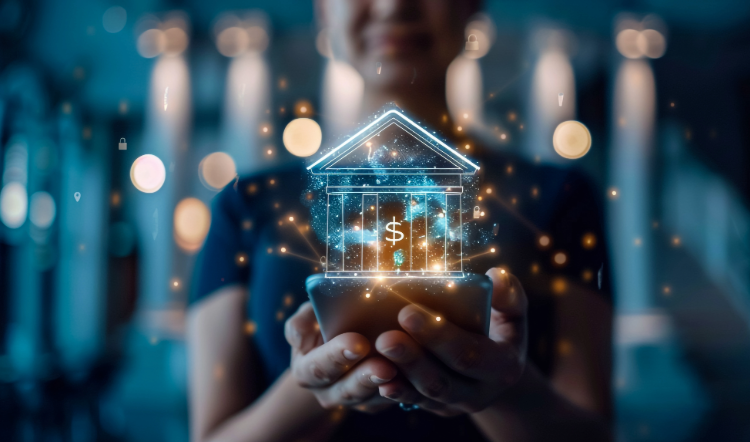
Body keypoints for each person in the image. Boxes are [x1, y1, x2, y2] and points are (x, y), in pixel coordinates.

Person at [188, 0, 613, 441]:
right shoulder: (245, 204)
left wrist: (503, 390)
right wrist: (313, 388)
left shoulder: (559, 198)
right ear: (322, 9)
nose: (393, 6)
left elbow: (595, 433)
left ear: (472, 5)